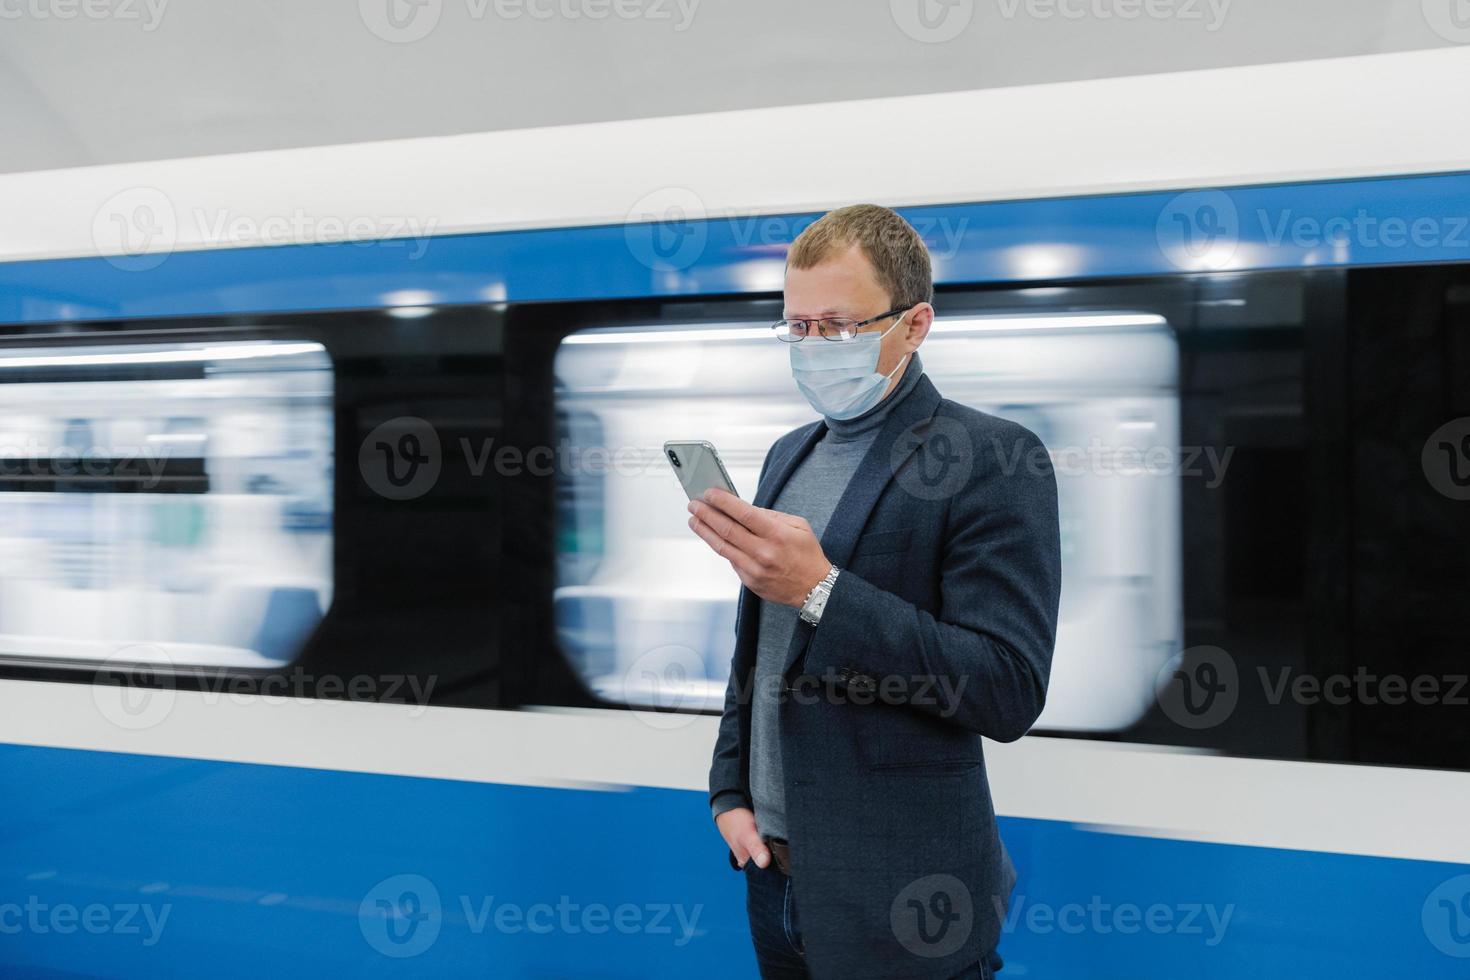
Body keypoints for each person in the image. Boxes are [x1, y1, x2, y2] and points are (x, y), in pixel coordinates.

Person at [690, 204, 1062, 979]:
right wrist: (730, 787)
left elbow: (1006, 687)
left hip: (908, 898)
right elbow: (758, 651)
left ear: (915, 324)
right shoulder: (790, 455)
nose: (814, 348)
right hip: (779, 882)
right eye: (797, 329)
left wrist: (823, 589)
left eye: (838, 327)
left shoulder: (993, 457)